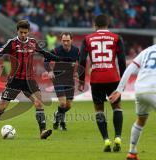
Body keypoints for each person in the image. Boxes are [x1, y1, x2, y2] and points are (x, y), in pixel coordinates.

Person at [0, 20, 66, 139]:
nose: (23, 35)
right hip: (15, 80)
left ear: (28, 31)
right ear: (17, 31)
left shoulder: (33, 42)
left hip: (29, 80)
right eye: (21, 32)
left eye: (25, 32)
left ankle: (43, 131)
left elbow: (44, 53)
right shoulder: (12, 43)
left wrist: (59, 58)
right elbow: (0, 52)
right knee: (2, 106)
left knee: (39, 103)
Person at [78, 14, 126, 152]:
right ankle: (117, 137)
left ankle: (106, 140)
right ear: (108, 23)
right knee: (117, 107)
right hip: (113, 77)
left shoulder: (87, 39)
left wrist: (81, 80)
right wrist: (122, 81)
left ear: (95, 25)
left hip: (96, 78)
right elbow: (122, 61)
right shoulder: (117, 38)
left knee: (99, 110)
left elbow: (82, 61)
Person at [109, 44, 156, 160]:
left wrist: (119, 89)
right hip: (154, 89)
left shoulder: (146, 51)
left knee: (141, 120)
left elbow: (130, 68)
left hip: (140, 90)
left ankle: (132, 152)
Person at [44, 32, 79, 131]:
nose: (66, 43)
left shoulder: (76, 51)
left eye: (68, 41)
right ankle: (62, 123)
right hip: (58, 79)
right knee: (63, 103)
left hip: (70, 80)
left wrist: (77, 72)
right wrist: (50, 71)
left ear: (71, 40)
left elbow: (81, 61)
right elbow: (46, 60)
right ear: (61, 41)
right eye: (64, 41)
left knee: (68, 106)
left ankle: (57, 115)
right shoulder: (56, 50)